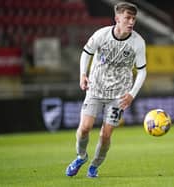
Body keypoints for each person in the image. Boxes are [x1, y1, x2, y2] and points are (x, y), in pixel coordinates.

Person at [66, 2, 146, 177]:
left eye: (133, 18)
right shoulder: (101, 35)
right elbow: (86, 52)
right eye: (127, 18)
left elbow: (142, 71)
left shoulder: (138, 42)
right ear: (117, 18)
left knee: (106, 135)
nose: (131, 22)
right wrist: (82, 74)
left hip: (118, 95)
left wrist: (132, 94)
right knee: (85, 128)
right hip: (95, 89)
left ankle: (94, 166)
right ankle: (81, 156)